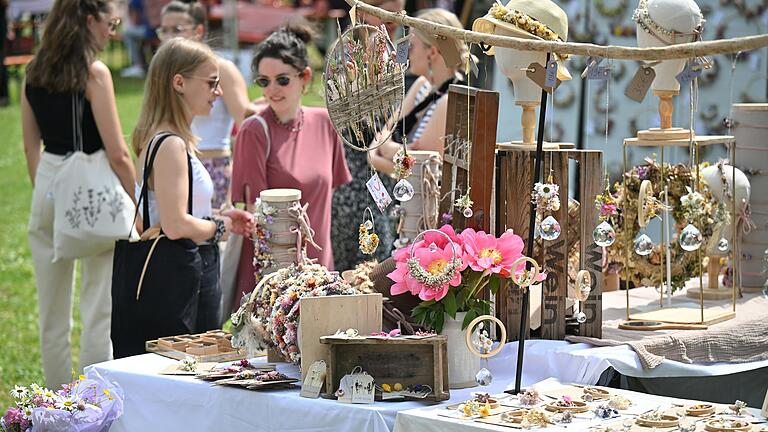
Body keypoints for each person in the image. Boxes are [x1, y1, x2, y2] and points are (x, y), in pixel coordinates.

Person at [21, 0, 136, 388]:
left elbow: (29, 148)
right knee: (97, 309)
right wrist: (135, 199)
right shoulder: (94, 73)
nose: (113, 31)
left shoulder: (33, 71)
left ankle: (56, 405)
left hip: (50, 187)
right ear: (89, 21)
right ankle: (93, 404)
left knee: (52, 314)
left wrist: (50, 192)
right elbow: (118, 152)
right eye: (110, 22)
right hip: (93, 192)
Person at [130, 37, 254, 334]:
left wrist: (217, 218)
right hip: (184, 273)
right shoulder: (170, 145)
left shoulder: (164, 138)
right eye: (211, 83)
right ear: (179, 82)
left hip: (177, 272)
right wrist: (220, 226)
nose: (219, 92)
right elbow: (175, 225)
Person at [230, 22, 351, 309]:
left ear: (304, 77)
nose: (272, 90)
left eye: (282, 80)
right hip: (273, 281)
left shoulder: (325, 122)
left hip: (321, 272)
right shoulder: (254, 131)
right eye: (263, 81)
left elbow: (325, 199)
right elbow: (255, 218)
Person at [158, 1, 260, 210]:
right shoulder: (165, 75)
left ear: (199, 31)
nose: (169, 37)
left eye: (176, 30)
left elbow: (247, 123)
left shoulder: (221, 69)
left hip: (213, 168)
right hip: (173, 165)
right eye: (164, 30)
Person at [330, 0, 406, 272]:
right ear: (363, 12)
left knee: (378, 257)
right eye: (386, 12)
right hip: (357, 170)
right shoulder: (354, 50)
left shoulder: (388, 49)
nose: (395, 18)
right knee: (368, 261)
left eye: (398, 11)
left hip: (377, 171)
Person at [369, 8, 469, 174]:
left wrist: (384, 151)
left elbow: (420, 170)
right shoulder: (422, 85)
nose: (407, 54)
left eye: (411, 47)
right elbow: (381, 139)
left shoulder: (449, 100)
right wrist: (396, 150)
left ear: (432, 52)